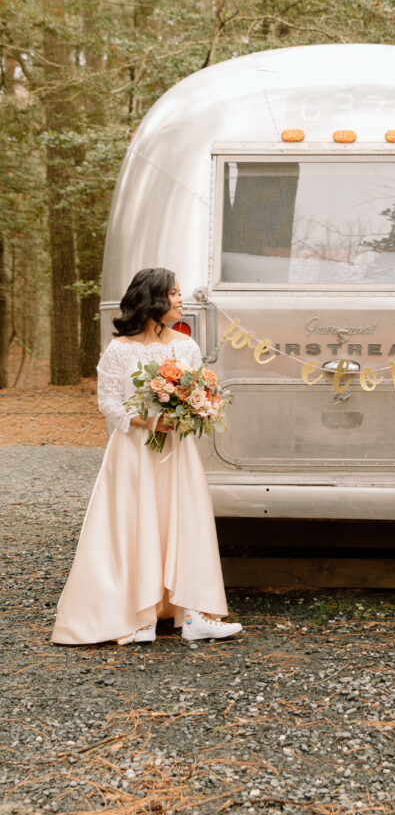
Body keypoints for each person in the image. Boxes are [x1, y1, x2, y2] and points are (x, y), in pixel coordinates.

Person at [52, 268, 242, 646]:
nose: (180, 299)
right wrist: (148, 421)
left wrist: (193, 410)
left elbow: (197, 391)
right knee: (134, 523)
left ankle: (193, 615)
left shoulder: (185, 346)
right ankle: (138, 617)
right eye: (173, 293)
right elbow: (107, 402)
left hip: (176, 451)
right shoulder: (120, 349)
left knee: (183, 522)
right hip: (134, 451)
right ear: (153, 300)